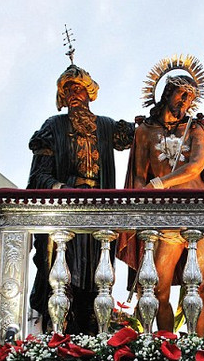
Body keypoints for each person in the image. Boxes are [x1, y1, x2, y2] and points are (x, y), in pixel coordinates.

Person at [27, 62, 134, 334]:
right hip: (66, 215)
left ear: (89, 93)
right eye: (69, 90)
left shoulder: (106, 126)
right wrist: (63, 189)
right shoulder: (53, 127)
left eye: (79, 88)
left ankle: (93, 338)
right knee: (62, 281)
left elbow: (135, 137)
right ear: (63, 98)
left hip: (99, 215)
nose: (75, 94)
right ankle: (60, 337)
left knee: (99, 278)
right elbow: (39, 176)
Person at [118, 69, 204, 335]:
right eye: (181, 94)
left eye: (190, 97)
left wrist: (162, 183)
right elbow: (139, 177)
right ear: (166, 93)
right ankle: (165, 346)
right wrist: (144, 207)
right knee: (157, 287)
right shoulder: (144, 131)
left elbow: (196, 165)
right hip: (166, 215)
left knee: (201, 286)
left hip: (199, 211)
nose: (184, 101)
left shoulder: (194, 128)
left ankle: (202, 347)